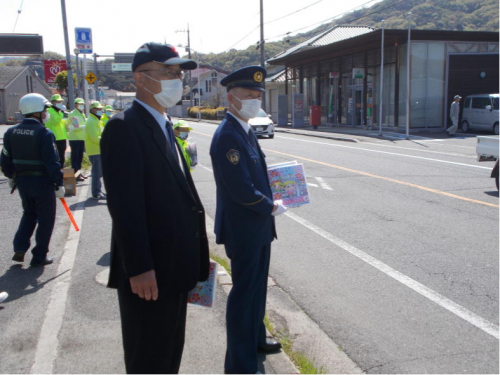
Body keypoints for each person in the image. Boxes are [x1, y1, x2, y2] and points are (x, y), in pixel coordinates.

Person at [100, 42, 210, 374]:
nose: (177, 80)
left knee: (169, 352)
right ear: (140, 78)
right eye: (167, 72)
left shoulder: (164, 126)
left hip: (175, 268)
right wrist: (139, 267)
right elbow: (125, 207)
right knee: (149, 357)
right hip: (150, 274)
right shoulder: (124, 127)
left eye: (178, 74)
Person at [209, 66, 288, 374]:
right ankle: (240, 364)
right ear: (231, 98)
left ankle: (256, 339)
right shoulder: (228, 135)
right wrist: (270, 207)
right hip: (244, 227)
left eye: (258, 96)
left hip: (257, 227)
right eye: (249, 96)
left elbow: (256, 174)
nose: (255, 101)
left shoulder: (244, 129)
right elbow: (241, 189)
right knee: (243, 295)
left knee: (257, 290)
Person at [0, 93, 64, 267]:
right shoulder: (44, 133)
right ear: (36, 111)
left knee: (29, 213)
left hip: (23, 182)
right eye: (45, 109)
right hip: (42, 183)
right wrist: (58, 182)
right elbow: (52, 161)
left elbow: (5, 158)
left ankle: (19, 248)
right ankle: (39, 256)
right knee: (46, 219)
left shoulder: (11, 131)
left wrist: (11, 176)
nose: (46, 113)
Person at [85, 101, 105, 199]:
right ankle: (96, 192)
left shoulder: (96, 120)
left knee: (99, 172)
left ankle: (98, 190)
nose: (101, 111)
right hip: (95, 150)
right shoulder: (92, 121)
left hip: (98, 150)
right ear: (93, 110)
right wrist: (106, 140)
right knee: (97, 172)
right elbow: (94, 138)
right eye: (99, 109)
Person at [45, 94, 69, 167]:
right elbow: (56, 121)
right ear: (53, 102)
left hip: (61, 137)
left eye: (61, 101)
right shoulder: (50, 110)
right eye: (58, 101)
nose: (60, 103)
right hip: (55, 137)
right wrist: (62, 112)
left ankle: (60, 172)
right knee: (57, 157)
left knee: (62, 156)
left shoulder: (57, 111)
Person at [68, 98, 87, 181]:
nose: (82, 106)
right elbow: (75, 126)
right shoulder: (73, 114)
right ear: (76, 105)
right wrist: (83, 127)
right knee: (75, 157)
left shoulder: (82, 113)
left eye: (83, 104)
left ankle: (79, 173)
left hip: (81, 138)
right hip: (75, 138)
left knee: (80, 157)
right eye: (80, 104)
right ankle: (75, 174)